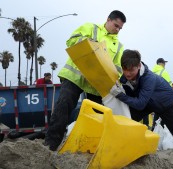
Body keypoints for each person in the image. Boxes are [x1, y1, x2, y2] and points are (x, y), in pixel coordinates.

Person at [44, 10, 127, 151]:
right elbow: (71, 40)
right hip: (76, 76)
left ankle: (89, 147)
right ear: (108, 19)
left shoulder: (119, 46)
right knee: (63, 107)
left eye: (120, 28)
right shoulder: (90, 28)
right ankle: (50, 145)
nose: (117, 30)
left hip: (96, 85)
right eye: (116, 25)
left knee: (95, 117)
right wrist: (89, 44)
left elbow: (117, 69)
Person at [110, 49, 173, 160]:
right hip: (148, 103)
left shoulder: (149, 78)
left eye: (131, 70)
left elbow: (139, 104)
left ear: (139, 66)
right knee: (127, 117)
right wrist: (120, 89)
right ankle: (123, 148)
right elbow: (132, 97)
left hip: (165, 104)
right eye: (125, 69)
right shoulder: (125, 78)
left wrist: (120, 95)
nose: (127, 73)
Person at [150, 58, 172, 128]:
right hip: (163, 97)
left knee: (157, 114)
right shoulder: (163, 71)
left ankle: (154, 128)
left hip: (154, 97)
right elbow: (169, 86)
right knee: (164, 115)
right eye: (164, 63)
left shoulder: (152, 72)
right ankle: (161, 130)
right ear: (162, 63)